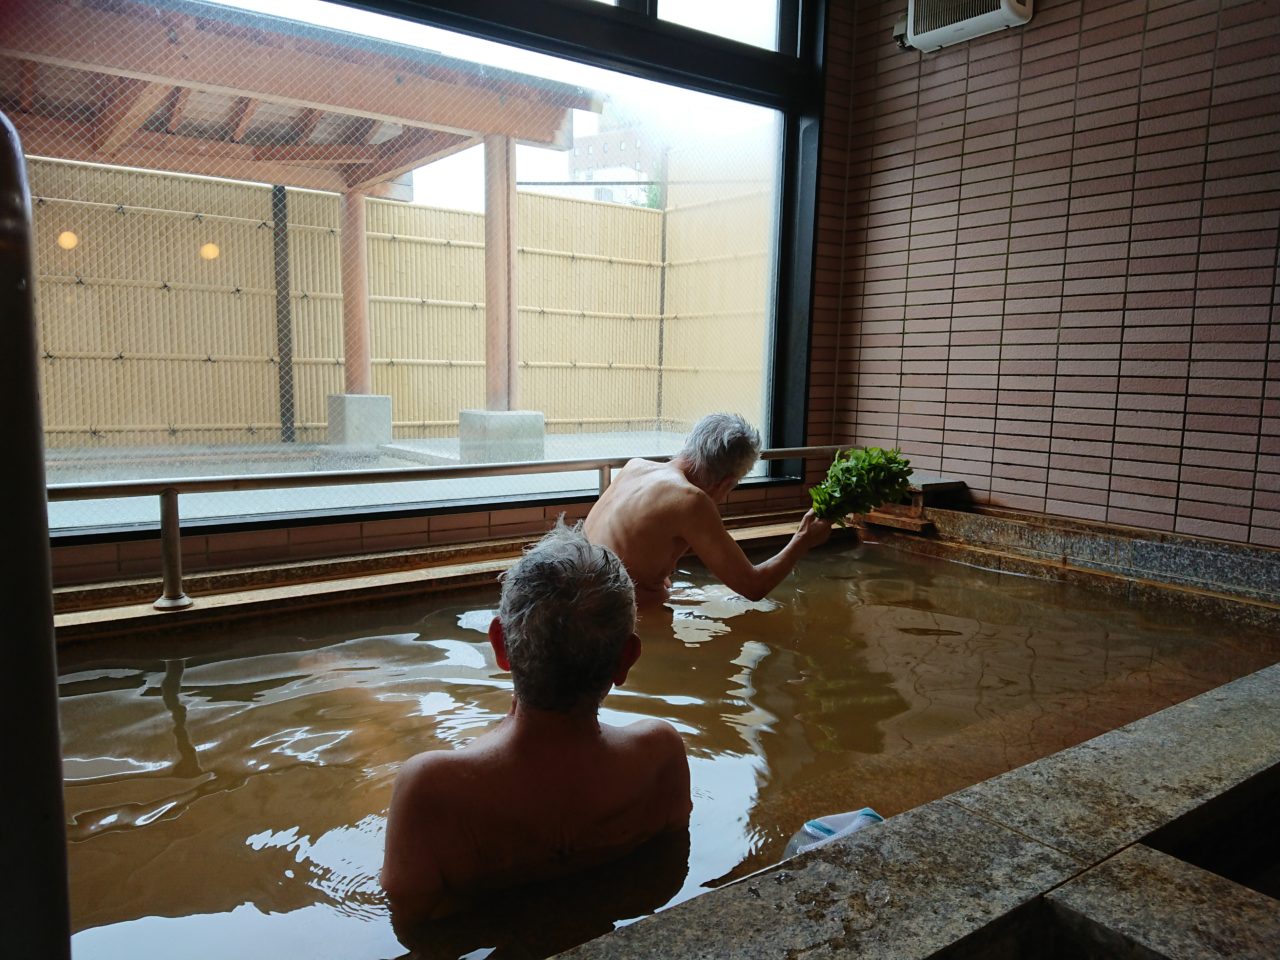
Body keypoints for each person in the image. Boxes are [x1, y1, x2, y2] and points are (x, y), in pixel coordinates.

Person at [380, 521, 691, 925]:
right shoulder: (661, 756)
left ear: (500, 645)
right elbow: (666, 876)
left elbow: (413, 926)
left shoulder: (431, 790)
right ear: (626, 659)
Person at [584, 413, 833, 606]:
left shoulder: (635, 466)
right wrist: (803, 539)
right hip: (617, 618)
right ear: (727, 483)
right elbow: (753, 586)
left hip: (579, 597)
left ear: (689, 443)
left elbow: (630, 550)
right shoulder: (690, 501)